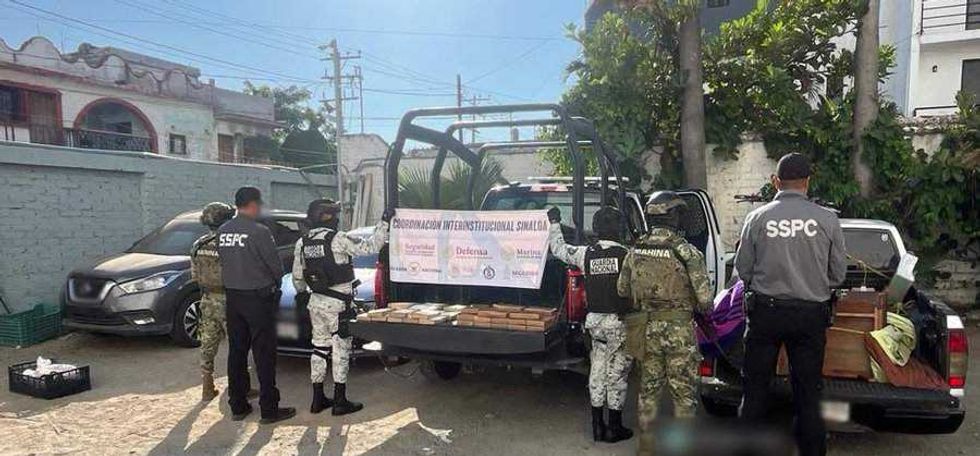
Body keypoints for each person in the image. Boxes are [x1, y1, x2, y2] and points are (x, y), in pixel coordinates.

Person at [735, 153, 846, 456]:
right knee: (809, 395)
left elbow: (743, 270)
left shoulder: (757, 218)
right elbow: (837, 274)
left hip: (766, 315)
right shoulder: (827, 219)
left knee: (755, 392)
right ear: (808, 181)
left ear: (776, 182)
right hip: (810, 316)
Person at [617, 191, 713, 454]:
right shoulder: (687, 252)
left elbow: (622, 290)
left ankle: (646, 449)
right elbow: (705, 301)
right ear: (674, 216)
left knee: (648, 392)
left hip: (646, 330)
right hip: (679, 332)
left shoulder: (635, 250)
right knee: (683, 396)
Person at [293, 199, 392, 416]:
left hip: (315, 303)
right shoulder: (337, 239)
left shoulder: (303, 242)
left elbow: (298, 277)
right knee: (340, 349)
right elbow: (371, 246)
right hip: (338, 305)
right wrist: (384, 223)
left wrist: (302, 294)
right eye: (334, 214)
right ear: (328, 217)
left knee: (319, 348)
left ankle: (317, 399)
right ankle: (339, 400)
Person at [547, 206, 633, 443]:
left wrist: (555, 222)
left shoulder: (586, 254)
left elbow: (559, 249)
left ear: (595, 229)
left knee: (597, 370)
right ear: (619, 228)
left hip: (594, 322)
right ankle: (614, 427)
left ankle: (597, 426)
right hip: (619, 322)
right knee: (617, 373)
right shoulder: (628, 256)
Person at [217, 186, 295, 424]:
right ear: (252, 204)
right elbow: (275, 267)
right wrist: (275, 283)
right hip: (257, 298)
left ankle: (238, 405)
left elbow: (223, 262)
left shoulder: (222, 231)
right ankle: (269, 409)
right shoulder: (259, 231)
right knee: (263, 353)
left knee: (237, 351)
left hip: (233, 297)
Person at [190, 202, 236, 402]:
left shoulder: (198, 244)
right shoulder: (229, 243)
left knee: (207, 343)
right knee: (237, 345)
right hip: (231, 300)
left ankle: (207, 386)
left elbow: (194, 275)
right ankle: (240, 387)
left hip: (207, 300)